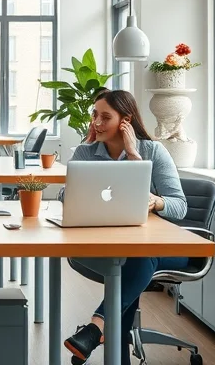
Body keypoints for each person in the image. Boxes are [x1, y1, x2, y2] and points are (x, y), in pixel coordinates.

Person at [62, 89, 188, 365]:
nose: (96, 122)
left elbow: (180, 207)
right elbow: (64, 196)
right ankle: (103, 337)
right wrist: (78, 181)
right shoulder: (86, 151)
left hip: (164, 249)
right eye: (94, 114)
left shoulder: (152, 151)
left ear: (126, 121)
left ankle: (97, 327)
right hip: (108, 247)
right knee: (133, 261)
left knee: (141, 256)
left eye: (105, 116)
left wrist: (135, 160)